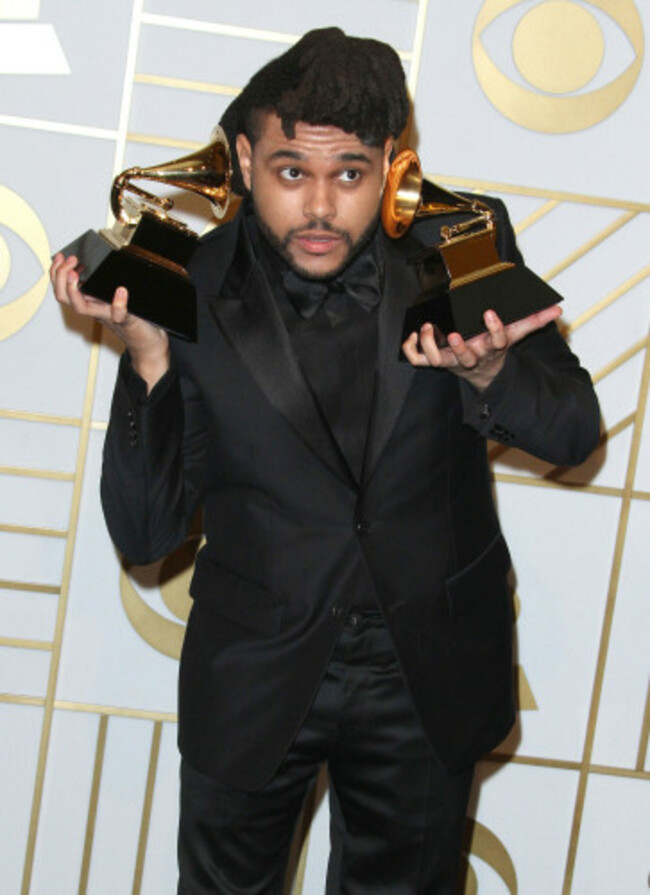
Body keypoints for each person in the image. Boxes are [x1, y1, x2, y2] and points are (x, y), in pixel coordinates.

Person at [51, 27, 600, 895]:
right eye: (289, 172)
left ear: (391, 166)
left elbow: (575, 432)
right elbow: (147, 532)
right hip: (256, 675)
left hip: (426, 674)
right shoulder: (183, 283)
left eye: (349, 173)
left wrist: (493, 369)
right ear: (242, 157)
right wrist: (150, 358)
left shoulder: (459, 244)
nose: (318, 207)